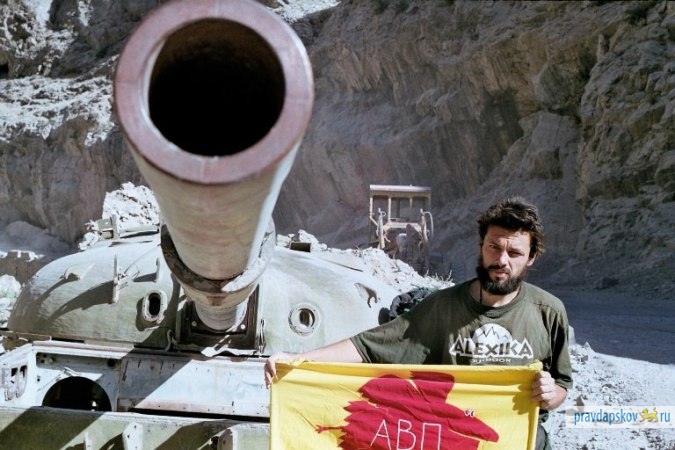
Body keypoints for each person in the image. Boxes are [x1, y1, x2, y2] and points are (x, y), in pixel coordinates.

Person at [265, 197, 572, 450]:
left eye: (514, 252)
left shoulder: (548, 312)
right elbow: (369, 346)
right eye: (494, 247)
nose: (502, 260)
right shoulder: (443, 307)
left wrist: (550, 394)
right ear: (481, 246)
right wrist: (297, 360)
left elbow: (561, 387)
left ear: (531, 257)